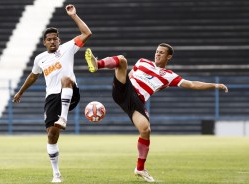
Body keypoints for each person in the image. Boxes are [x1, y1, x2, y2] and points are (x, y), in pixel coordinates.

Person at [85, 43, 228, 182]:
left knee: (145, 129)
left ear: (169, 57)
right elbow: (128, 75)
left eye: (161, 52)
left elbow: (191, 84)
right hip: (125, 89)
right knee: (122, 59)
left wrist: (214, 85)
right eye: (157, 51)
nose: (157, 54)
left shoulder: (169, 76)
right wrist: (123, 83)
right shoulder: (142, 62)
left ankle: (140, 169)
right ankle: (97, 64)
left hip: (136, 101)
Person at [13, 4, 92, 183]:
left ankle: (63, 117)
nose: (52, 42)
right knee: (51, 134)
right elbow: (33, 77)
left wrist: (74, 15)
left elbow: (87, 33)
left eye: (55, 39)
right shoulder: (39, 59)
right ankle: (56, 173)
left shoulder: (68, 47)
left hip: (70, 91)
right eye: (49, 39)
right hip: (52, 98)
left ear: (59, 40)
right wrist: (20, 92)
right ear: (44, 42)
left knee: (66, 79)